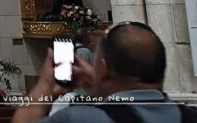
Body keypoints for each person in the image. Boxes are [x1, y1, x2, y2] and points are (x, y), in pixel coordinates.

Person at [12, 22, 196, 123]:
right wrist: (102, 82)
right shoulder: (190, 115)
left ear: (104, 67)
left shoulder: (81, 119)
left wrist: (45, 85)